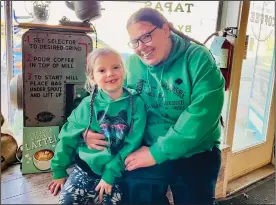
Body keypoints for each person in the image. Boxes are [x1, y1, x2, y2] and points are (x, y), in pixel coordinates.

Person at [83, 7, 225, 205]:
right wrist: (88, 129)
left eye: (147, 37)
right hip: (145, 146)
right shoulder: (132, 63)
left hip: (195, 150)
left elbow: (202, 116)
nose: (142, 47)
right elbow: (110, 100)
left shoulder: (198, 59)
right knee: (133, 196)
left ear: (166, 30)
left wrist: (156, 153)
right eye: (135, 42)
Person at [48, 47, 147, 205]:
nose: (110, 73)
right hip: (84, 169)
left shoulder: (137, 103)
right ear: (92, 77)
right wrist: (59, 169)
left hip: (116, 172)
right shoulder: (87, 105)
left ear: (124, 70)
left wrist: (110, 174)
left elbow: (132, 143)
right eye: (102, 70)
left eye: (116, 67)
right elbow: (68, 136)